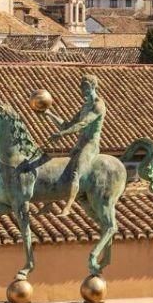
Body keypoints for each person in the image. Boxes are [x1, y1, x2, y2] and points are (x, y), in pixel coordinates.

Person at [45, 75, 106, 214]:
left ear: (93, 86)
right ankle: (50, 203)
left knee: (75, 173)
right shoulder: (84, 107)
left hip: (91, 144)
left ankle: (68, 207)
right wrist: (49, 114)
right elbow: (66, 125)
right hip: (79, 144)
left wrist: (62, 135)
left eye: (85, 86)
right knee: (62, 172)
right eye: (81, 87)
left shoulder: (98, 105)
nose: (82, 90)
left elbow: (83, 124)